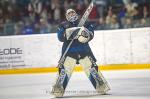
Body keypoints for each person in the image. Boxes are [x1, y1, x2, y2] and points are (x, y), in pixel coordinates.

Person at [51, 8, 110, 97]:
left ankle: (102, 87)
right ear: (66, 16)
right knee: (64, 72)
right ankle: (58, 90)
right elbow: (60, 37)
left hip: (84, 51)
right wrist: (76, 32)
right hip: (69, 53)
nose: (71, 14)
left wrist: (86, 35)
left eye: (72, 12)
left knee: (92, 70)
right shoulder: (63, 25)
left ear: (76, 13)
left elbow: (91, 34)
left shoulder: (86, 23)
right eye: (69, 13)